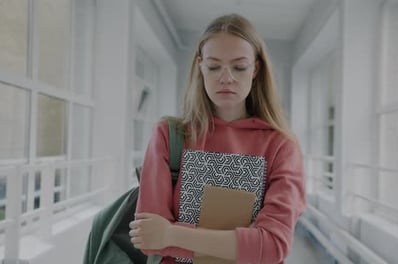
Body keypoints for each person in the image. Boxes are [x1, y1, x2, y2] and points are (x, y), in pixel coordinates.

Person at [129, 13, 305, 264]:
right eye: (214, 66)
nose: (226, 78)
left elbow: (273, 246)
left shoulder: (281, 146)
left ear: (255, 69)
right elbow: (148, 239)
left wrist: (170, 234)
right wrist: (245, 246)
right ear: (200, 66)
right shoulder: (170, 135)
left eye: (239, 66)